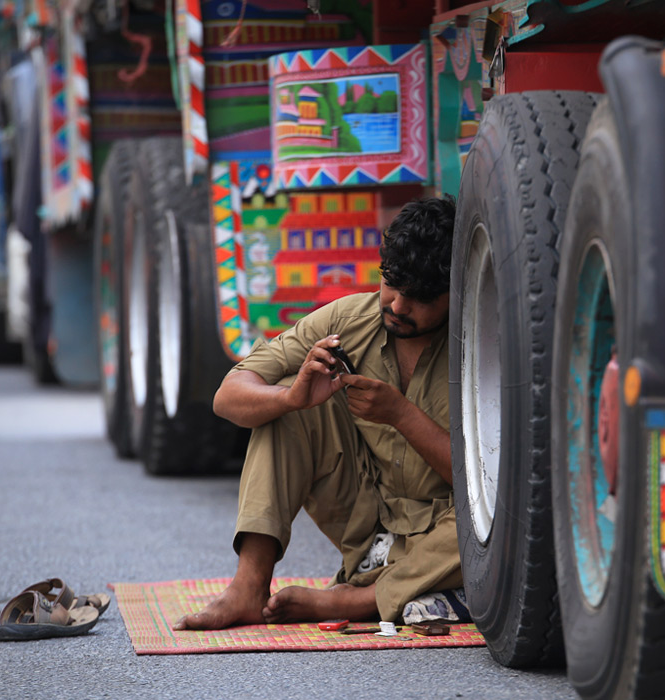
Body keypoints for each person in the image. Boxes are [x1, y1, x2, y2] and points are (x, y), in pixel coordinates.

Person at [175, 195, 460, 630]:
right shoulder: (349, 318)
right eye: (391, 284)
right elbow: (228, 396)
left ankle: (361, 600)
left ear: (454, 293)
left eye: (419, 298)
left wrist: (401, 414)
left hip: (444, 538)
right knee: (284, 403)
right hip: (372, 531)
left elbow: (488, 484)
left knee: (505, 516)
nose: (398, 306)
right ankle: (249, 588)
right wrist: (293, 400)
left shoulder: (478, 348)